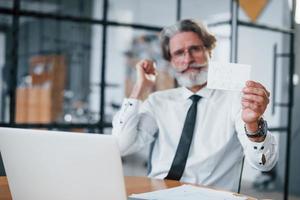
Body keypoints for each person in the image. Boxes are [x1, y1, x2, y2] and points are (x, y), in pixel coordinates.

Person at [112, 19, 278, 192]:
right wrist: (140, 88)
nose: (188, 59)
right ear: (171, 62)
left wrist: (253, 125)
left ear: (209, 52)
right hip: (158, 194)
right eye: (178, 53)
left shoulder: (237, 101)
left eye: (195, 49)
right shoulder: (158, 101)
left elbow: (264, 164)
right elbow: (121, 146)